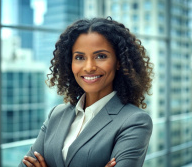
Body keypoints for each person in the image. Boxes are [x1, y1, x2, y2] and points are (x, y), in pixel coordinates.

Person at [19, 17, 153, 167]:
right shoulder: (56, 114)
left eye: (100, 56)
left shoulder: (135, 121)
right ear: (71, 64)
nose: (89, 67)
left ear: (119, 62)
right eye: (80, 57)